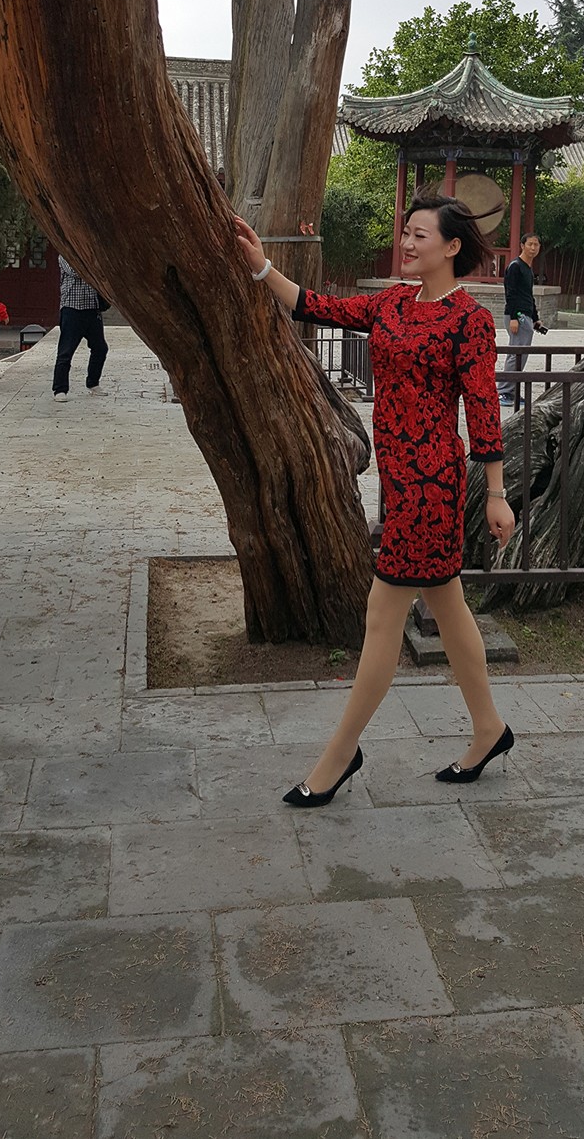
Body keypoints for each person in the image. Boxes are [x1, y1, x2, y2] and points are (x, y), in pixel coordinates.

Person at [234, 196, 517, 807]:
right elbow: (317, 305)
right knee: (449, 608)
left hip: (432, 488)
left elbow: (483, 408)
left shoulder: (470, 320)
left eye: (420, 235)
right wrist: (262, 267)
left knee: (383, 614)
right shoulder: (391, 304)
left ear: (452, 247)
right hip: (399, 482)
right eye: (405, 233)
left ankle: (340, 755)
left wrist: (496, 493)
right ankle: (490, 728)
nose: (407, 243)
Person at [498, 232, 547, 406]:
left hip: (525, 315)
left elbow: (528, 296)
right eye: (530, 244)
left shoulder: (528, 269)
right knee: (516, 353)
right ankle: (504, 391)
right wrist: (513, 317)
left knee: (521, 354)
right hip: (516, 315)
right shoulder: (515, 267)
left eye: (536, 245)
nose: (533, 248)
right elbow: (510, 293)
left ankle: (512, 390)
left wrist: (535, 318)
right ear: (522, 246)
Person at [52, 256, 108, 400]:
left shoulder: (90, 254)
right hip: (72, 309)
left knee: (100, 348)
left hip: (92, 308)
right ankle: (60, 389)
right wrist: (94, 267)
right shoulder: (65, 255)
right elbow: (75, 271)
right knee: (66, 351)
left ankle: (93, 382)